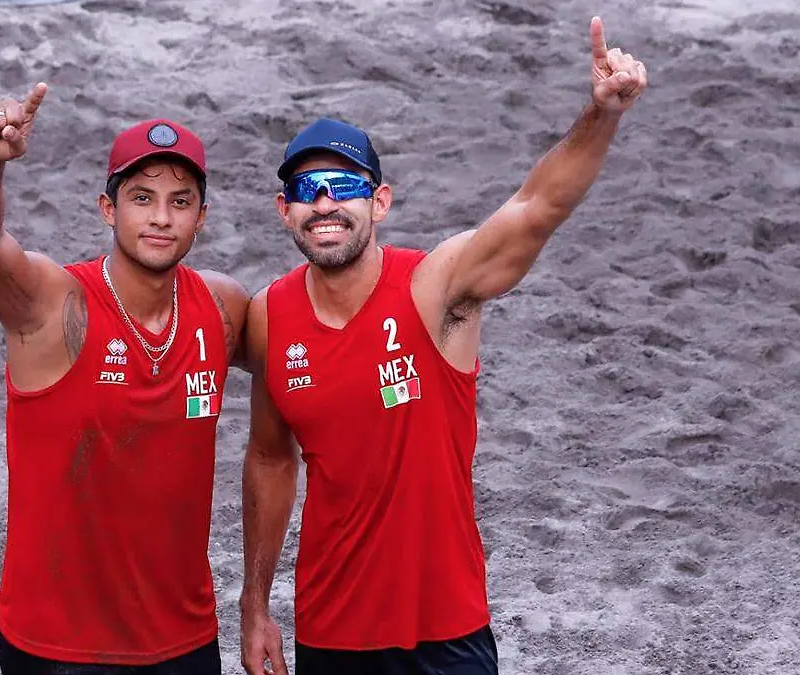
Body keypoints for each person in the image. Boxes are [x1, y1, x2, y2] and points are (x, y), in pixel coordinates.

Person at [239, 17, 648, 675]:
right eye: (306, 191)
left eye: (346, 187)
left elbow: (535, 207)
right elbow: (268, 457)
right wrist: (255, 604)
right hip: (331, 633)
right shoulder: (268, 315)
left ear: (380, 202)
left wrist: (601, 115)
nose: (325, 204)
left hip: (446, 632)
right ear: (284, 209)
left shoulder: (436, 288)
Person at [0, 82, 249, 674]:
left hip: (186, 639)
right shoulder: (53, 304)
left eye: (180, 201)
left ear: (201, 218)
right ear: (109, 209)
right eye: (142, 197)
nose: (161, 217)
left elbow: (311, 357)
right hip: (59, 647)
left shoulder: (222, 308)